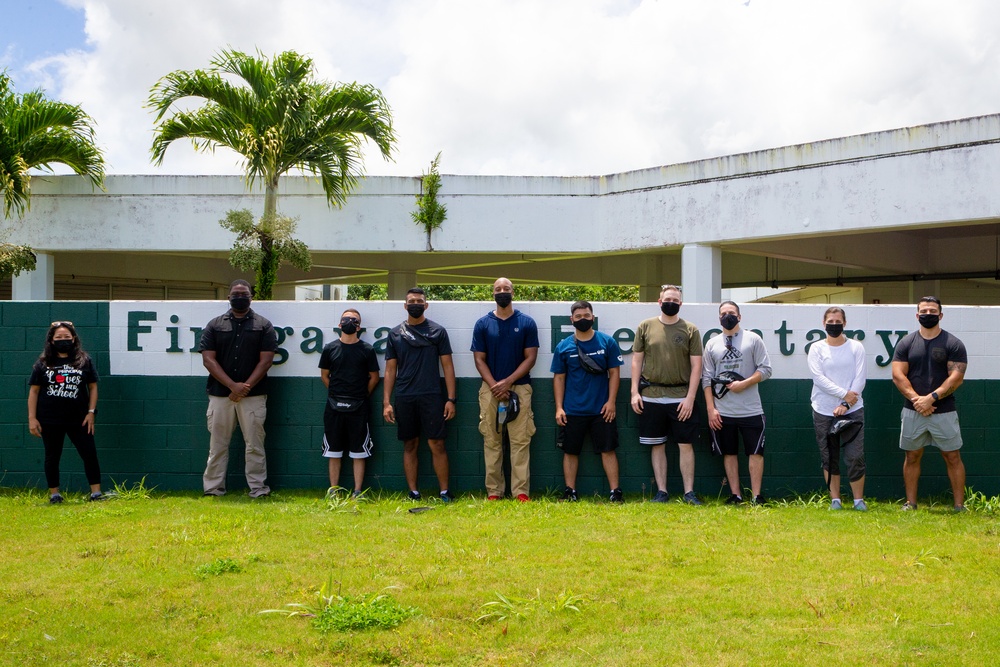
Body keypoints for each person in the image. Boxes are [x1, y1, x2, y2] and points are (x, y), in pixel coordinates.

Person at [200, 279, 277, 498]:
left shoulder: (263, 325)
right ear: (228, 297)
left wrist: (244, 387)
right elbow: (208, 359)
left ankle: (258, 489)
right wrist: (232, 386)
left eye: (244, 294)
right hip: (220, 395)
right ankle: (213, 489)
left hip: (253, 396)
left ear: (251, 297)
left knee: (254, 445)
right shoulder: (215, 325)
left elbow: (266, 361)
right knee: (217, 446)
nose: (240, 297)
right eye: (236, 294)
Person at [891, 296, 968, 512]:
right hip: (913, 410)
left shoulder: (953, 344)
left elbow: (956, 378)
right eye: (924, 311)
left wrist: (931, 398)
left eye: (933, 311)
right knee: (912, 455)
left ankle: (959, 505)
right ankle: (911, 503)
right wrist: (918, 401)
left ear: (940, 315)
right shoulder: (906, 343)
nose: (928, 314)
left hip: (944, 411)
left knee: (952, 456)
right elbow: (898, 375)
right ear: (917, 315)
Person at [630, 285, 704, 505]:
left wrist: (690, 398)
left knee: (685, 444)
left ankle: (689, 492)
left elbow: (697, 367)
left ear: (680, 304)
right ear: (659, 301)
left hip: (681, 397)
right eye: (667, 298)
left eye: (675, 299)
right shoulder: (645, 326)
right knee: (657, 444)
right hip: (651, 396)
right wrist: (634, 392)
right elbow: (636, 361)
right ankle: (662, 491)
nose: (671, 302)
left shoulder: (691, 330)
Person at [383, 287, 457, 501]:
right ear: (405, 306)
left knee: (437, 444)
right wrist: (387, 402)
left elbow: (448, 366)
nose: (415, 304)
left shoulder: (438, 331)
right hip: (405, 396)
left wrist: (451, 399)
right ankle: (413, 492)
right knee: (410, 444)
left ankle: (444, 491)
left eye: (419, 301)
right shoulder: (395, 333)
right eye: (411, 301)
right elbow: (389, 370)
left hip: (432, 396)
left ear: (426, 305)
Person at [471, 277, 539, 502]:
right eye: (498, 289)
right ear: (492, 293)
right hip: (490, 391)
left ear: (513, 292)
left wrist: (508, 382)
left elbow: (531, 358)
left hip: (520, 389)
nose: (502, 292)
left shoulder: (527, 323)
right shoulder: (482, 324)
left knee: (520, 441)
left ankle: (520, 491)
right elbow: (479, 359)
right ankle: (494, 492)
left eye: (506, 289)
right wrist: (494, 385)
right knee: (492, 440)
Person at [551, 300, 624, 502]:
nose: (583, 319)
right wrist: (559, 408)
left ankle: (615, 493)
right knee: (570, 450)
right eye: (578, 316)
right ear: (571, 319)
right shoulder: (563, 346)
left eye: (586, 316)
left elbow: (614, 373)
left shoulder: (607, 342)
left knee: (608, 449)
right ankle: (570, 492)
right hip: (572, 410)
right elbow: (559, 378)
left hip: (602, 409)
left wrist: (611, 402)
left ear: (593, 317)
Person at [27, 321, 107, 503]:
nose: (63, 340)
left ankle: (96, 493)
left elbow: (93, 387)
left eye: (66, 337)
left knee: (89, 453)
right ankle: (54, 494)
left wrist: (91, 412)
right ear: (51, 340)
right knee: (52, 456)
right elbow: (34, 391)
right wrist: (32, 418)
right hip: (50, 419)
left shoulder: (84, 360)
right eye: (58, 337)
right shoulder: (42, 363)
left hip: (80, 419)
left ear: (74, 339)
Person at [702, 301, 772, 505]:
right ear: (719, 318)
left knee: (756, 452)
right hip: (723, 411)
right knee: (729, 453)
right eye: (723, 313)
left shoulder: (753, 339)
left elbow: (766, 369)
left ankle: (757, 496)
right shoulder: (712, 344)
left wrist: (745, 383)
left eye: (731, 313)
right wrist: (711, 409)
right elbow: (706, 379)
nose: (727, 316)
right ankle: (736, 495)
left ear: (739, 316)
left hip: (751, 410)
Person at [807, 307, 868, 511]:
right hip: (823, 410)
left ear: (845, 323)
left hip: (853, 409)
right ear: (823, 324)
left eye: (838, 321)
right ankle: (836, 500)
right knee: (829, 457)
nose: (834, 325)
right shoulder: (816, 348)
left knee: (855, 456)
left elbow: (860, 379)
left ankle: (858, 501)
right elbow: (819, 378)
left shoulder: (856, 347)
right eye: (830, 321)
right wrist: (844, 395)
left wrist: (846, 404)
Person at [319, 308, 380, 497]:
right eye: (346, 319)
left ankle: (357, 491)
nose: (350, 322)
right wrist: (336, 394)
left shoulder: (367, 350)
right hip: (334, 407)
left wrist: (361, 396)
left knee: (358, 452)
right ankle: (333, 491)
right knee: (334, 451)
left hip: (359, 407)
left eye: (354, 320)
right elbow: (324, 375)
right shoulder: (330, 348)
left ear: (359, 326)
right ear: (339, 324)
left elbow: (374, 377)